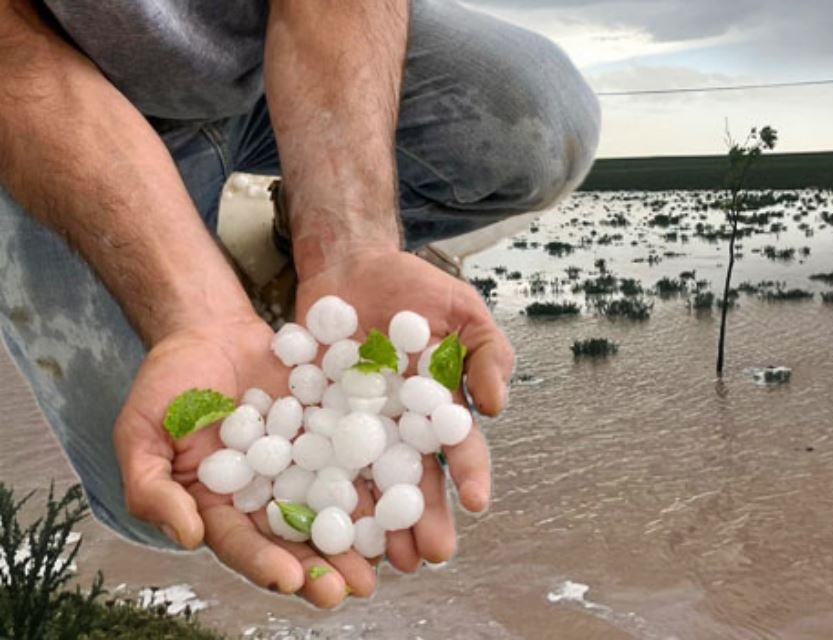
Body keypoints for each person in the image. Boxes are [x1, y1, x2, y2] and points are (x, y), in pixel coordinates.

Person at [0, 0, 599, 608]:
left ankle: (291, 225)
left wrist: (348, 243)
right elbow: (11, 57)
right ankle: (212, 255)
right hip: (50, 96)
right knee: (156, 497)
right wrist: (191, 313)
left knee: (541, 118)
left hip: (254, 65)